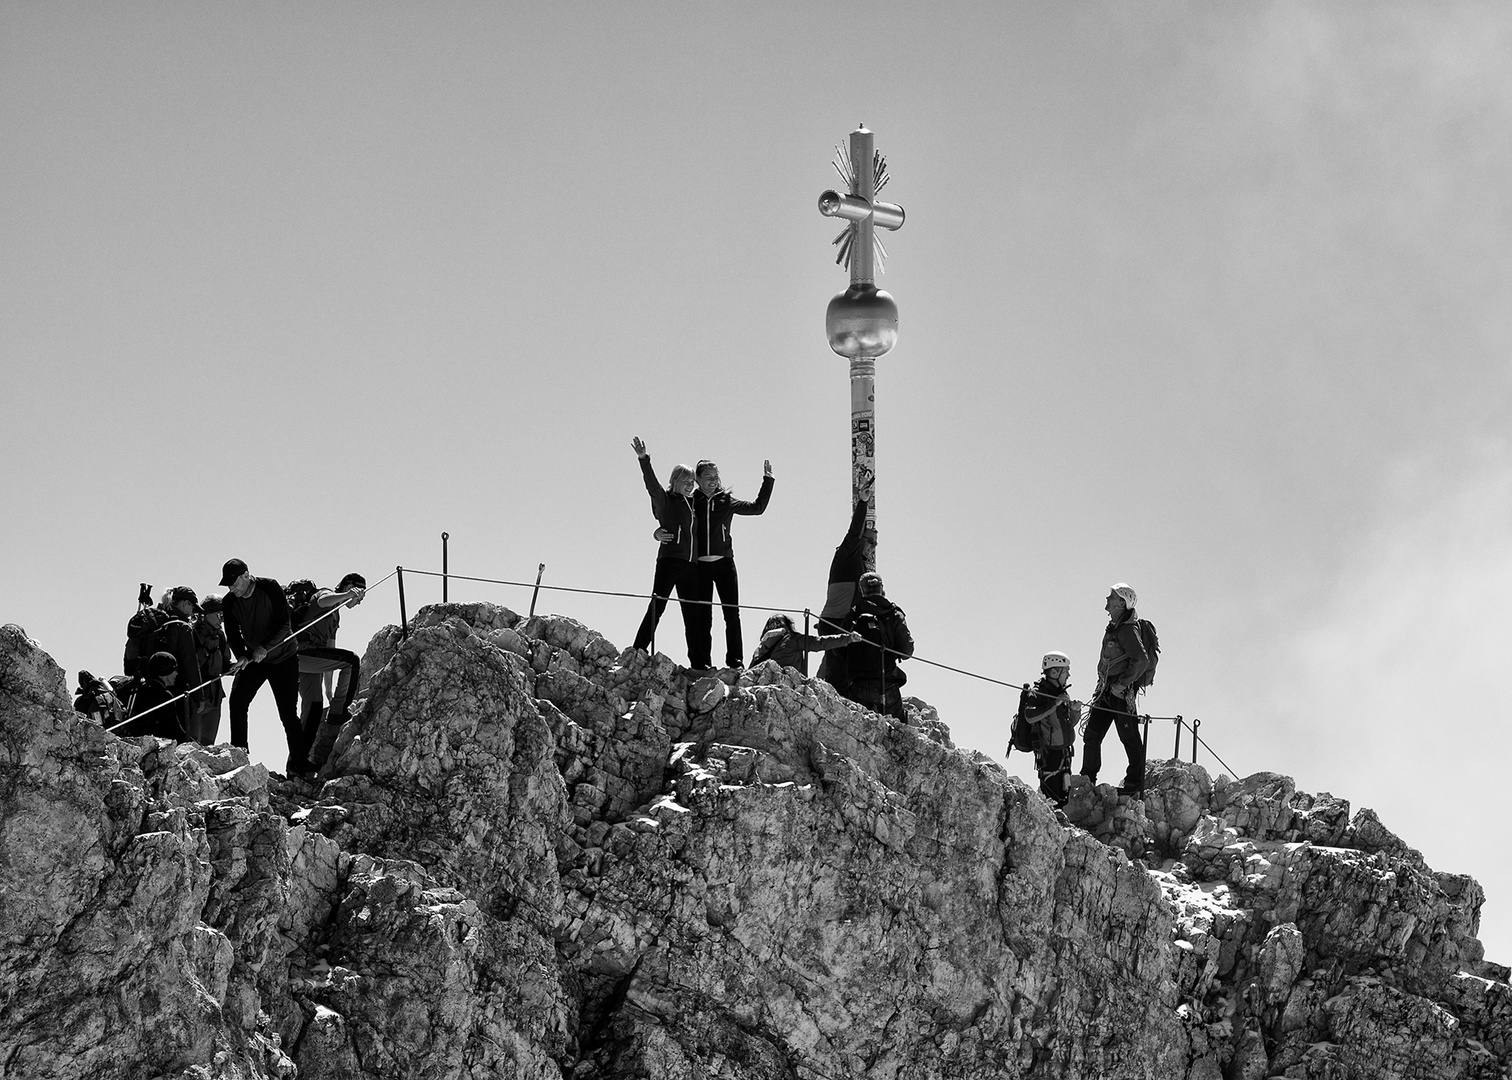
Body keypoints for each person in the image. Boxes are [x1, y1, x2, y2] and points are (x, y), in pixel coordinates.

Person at [220, 557, 309, 776]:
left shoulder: (269, 587)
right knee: (238, 701)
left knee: (288, 713)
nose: (232, 588)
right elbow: (232, 633)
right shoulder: (229, 601)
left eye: (235, 582)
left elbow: (284, 624)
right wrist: (241, 655)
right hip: (254, 660)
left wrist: (264, 647)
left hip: (283, 658)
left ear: (247, 576)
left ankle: (299, 763)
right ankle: (239, 755)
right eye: (228, 584)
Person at [690, 456, 774, 669]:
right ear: (697, 479)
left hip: (724, 565)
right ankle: (703, 663)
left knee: (731, 615)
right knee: (703, 618)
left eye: (715, 476)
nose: (713, 480)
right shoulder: (690, 501)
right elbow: (669, 516)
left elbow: (758, 507)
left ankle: (735, 662)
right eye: (707, 476)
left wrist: (768, 480)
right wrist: (657, 532)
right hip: (699, 566)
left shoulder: (726, 501)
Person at [630, 437, 703, 664]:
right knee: (658, 605)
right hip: (670, 560)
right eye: (685, 480)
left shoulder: (695, 504)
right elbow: (651, 486)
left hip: (692, 566)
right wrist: (644, 459)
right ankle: (638, 649)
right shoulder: (666, 501)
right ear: (675, 481)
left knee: (693, 615)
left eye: (692, 480)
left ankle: (699, 663)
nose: (690, 484)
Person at [1079, 583, 1152, 797]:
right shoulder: (1116, 627)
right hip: (1106, 691)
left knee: (1128, 736)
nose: (1107, 599)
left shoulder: (1127, 629)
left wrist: (1122, 684)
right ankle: (1087, 778)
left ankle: (1134, 784)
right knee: (1093, 734)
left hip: (1119, 691)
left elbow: (1140, 660)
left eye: (1112, 596)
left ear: (1122, 602)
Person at [292, 573, 366, 769]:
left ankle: (297, 764)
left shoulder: (335, 616)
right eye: (360, 595)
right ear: (349, 586)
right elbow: (324, 600)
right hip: (299, 652)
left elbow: (331, 653)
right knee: (351, 661)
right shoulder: (326, 594)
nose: (359, 602)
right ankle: (338, 712)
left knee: (313, 709)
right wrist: (347, 595)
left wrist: (328, 689)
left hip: (312, 658)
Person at [831, 571, 914, 721]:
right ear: (881, 588)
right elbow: (906, 651)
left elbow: (837, 649)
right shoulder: (894, 613)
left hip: (858, 684)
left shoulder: (854, 614)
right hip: (887, 683)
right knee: (897, 731)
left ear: (861, 591)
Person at [815, 490, 874, 683]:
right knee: (838, 673)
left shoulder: (862, 565)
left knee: (842, 669)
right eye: (871, 541)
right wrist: (863, 503)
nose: (873, 546)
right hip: (834, 622)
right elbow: (854, 531)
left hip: (845, 623)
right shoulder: (847, 555)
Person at [1016, 651, 1083, 808]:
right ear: (1054, 672)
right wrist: (1055, 704)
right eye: (1065, 671)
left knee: (1063, 797)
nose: (1068, 675)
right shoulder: (1038, 693)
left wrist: (1075, 711)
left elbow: (1067, 724)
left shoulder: (1060, 693)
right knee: (1052, 798)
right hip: (1049, 754)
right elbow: (1030, 716)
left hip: (1064, 753)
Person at [116, 651, 191, 741]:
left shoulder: (140, 688)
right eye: (174, 669)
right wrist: (195, 745)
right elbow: (175, 730)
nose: (176, 673)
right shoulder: (163, 696)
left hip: (125, 737)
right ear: (166, 671)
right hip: (144, 743)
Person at [748, 613, 860, 672]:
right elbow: (820, 643)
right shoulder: (792, 639)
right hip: (790, 686)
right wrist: (848, 638)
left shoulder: (760, 648)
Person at [190, 594, 232, 744]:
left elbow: (225, 665)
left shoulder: (220, 636)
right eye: (220, 615)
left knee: (208, 747)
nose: (222, 620)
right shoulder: (191, 634)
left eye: (224, 616)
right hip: (195, 698)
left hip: (215, 698)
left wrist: (237, 667)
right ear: (205, 614)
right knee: (189, 746)